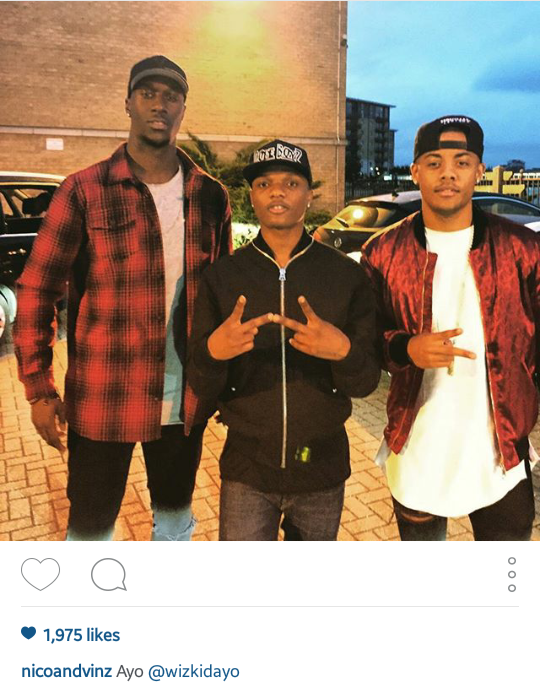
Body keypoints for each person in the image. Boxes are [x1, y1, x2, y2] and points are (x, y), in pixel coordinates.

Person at [14, 55, 232, 541]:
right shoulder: (83, 191)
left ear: (182, 108)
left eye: (171, 96)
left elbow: (222, 298)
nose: (160, 105)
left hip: (184, 402)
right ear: (128, 103)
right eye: (148, 93)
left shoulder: (210, 195)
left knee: (174, 525)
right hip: (104, 399)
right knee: (90, 534)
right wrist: (40, 389)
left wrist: (223, 380)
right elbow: (37, 289)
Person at [187, 139, 380, 540]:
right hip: (247, 469)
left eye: (291, 183)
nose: (277, 192)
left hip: (321, 467)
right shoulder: (223, 277)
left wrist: (343, 352)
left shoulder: (345, 276)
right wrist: (213, 353)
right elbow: (201, 383)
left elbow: (365, 382)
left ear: (309, 195)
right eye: (264, 184)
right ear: (251, 197)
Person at [361, 115, 540, 541]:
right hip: (418, 451)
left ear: (479, 170)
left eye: (461, 162)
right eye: (434, 162)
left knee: (507, 575)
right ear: (415, 171)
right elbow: (365, 339)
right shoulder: (382, 251)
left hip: (500, 455)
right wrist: (406, 348)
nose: (448, 174)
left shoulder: (524, 249)